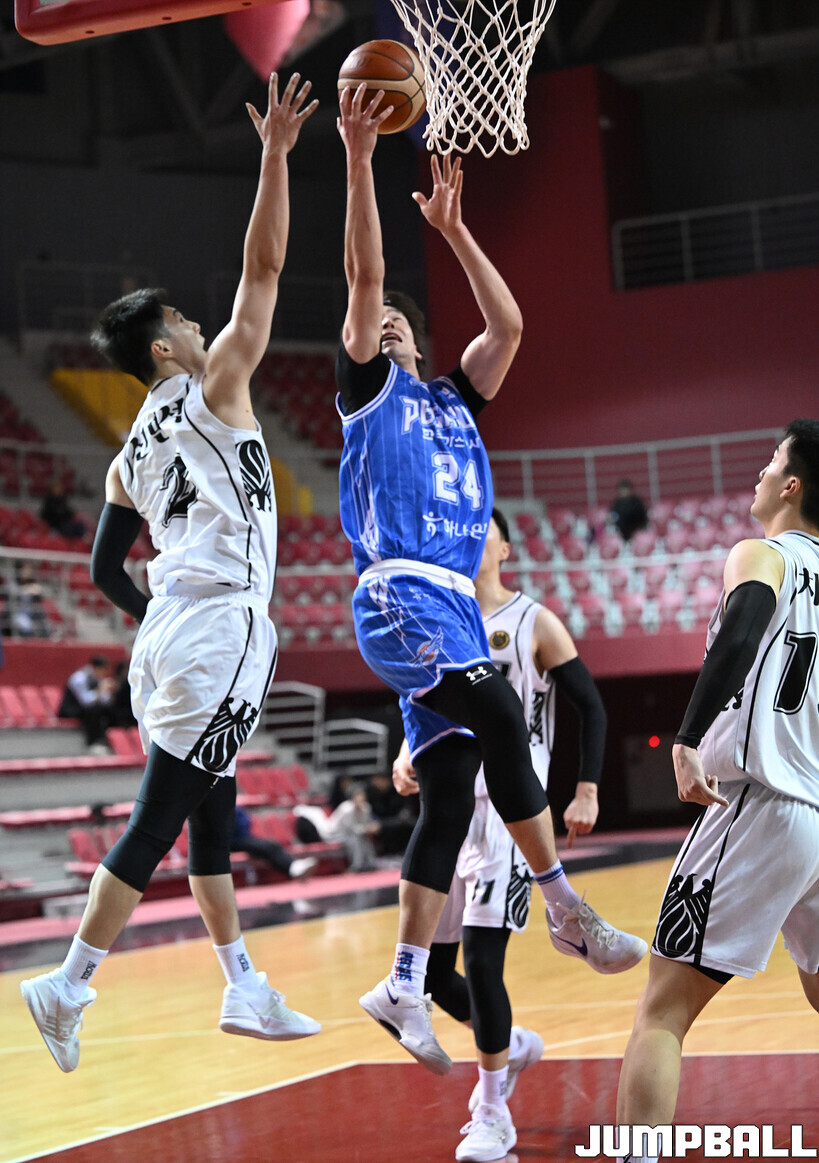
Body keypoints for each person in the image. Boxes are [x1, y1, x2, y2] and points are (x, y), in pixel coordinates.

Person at [335, 83, 646, 1100]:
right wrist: (358, 158)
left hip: (453, 611)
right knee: (506, 714)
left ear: (420, 341)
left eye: (396, 322)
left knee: (453, 782)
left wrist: (457, 232)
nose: (382, 324)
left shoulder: (452, 398)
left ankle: (401, 981)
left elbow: (508, 324)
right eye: (373, 323)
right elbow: (364, 272)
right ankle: (562, 903)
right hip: (400, 593)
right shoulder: (371, 393)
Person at [20, 72, 320, 1074]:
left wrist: (158, 614)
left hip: (169, 634)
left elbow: (105, 564)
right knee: (160, 818)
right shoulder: (215, 385)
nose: (201, 324)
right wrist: (274, 156)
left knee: (210, 811)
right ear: (164, 344)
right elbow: (264, 266)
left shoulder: (125, 455)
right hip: (218, 623)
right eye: (185, 319)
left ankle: (242, 984)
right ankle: (68, 982)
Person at [614, 420, 819, 1163]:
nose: (759, 472)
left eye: (771, 461)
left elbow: (740, 629)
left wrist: (686, 736)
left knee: (662, 1011)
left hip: (759, 803)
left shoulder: (763, 553)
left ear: (791, 485)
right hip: (816, 811)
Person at [392, 507, 609, 1161]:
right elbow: (423, 703)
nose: (467, 536)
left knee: (484, 959)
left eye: (481, 528)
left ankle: (492, 1111)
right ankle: (509, 1045)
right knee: (433, 973)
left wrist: (587, 787)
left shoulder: (533, 620)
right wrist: (405, 752)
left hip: (511, 815)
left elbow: (590, 705)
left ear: (506, 548)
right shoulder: (442, 622)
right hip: (451, 807)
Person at [230, 806, 317, 880]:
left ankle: (293, 867)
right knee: (268, 847)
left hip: (240, 838)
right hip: (231, 842)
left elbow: (244, 821)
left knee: (271, 845)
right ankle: (292, 868)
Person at [58, 655, 115, 751]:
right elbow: (85, 701)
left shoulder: (98, 679)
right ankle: (93, 742)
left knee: (110, 708)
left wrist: (109, 692)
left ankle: (110, 739)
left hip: (86, 709)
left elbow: (105, 701)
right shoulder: (79, 678)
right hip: (71, 709)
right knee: (93, 711)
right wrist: (100, 689)